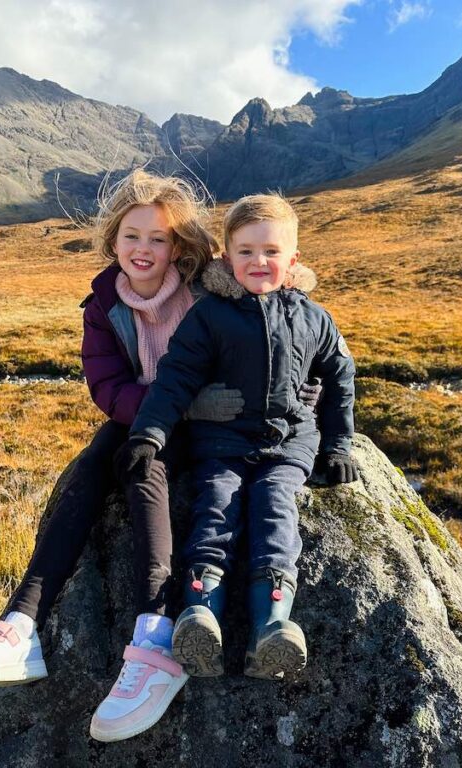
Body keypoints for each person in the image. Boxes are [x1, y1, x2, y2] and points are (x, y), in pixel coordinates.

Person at [0, 169, 239, 741]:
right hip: (144, 417)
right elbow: (106, 387)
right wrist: (154, 407)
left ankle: (155, 641)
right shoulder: (102, 304)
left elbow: (267, 308)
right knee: (95, 465)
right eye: (131, 236)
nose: (143, 249)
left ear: (179, 247)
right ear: (113, 240)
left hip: (202, 428)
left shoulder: (206, 293)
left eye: (158, 239)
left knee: (144, 469)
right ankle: (21, 628)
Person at [116, 193, 358, 683]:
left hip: (289, 445)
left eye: (271, 251)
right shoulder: (209, 316)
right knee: (216, 507)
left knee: (276, 507)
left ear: (293, 259)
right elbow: (175, 378)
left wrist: (338, 445)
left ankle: (272, 625)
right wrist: (148, 434)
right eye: (246, 251)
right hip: (222, 444)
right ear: (226, 256)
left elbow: (339, 380)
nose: (259, 262)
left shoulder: (315, 318)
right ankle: (201, 613)